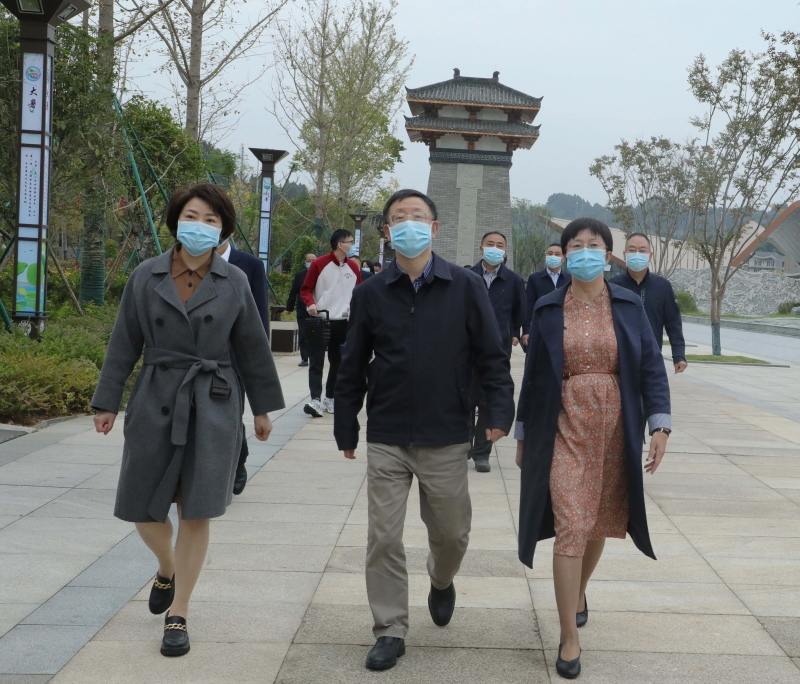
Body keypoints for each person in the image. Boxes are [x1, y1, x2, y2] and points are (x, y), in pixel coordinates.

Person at [91, 184, 285, 657]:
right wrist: (107, 401)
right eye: (192, 216)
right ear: (176, 221)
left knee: (196, 509)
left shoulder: (234, 280)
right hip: (155, 396)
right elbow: (124, 341)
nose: (200, 226)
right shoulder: (146, 275)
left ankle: (178, 613)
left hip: (213, 401)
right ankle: (167, 566)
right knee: (141, 505)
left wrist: (261, 409)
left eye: (211, 220)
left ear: (224, 230)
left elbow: (253, 347)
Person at [334, 189, 515, 672]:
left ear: (434, 228)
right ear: (387, 231)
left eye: (418, 216)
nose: (408, 224)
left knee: (452, 534)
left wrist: (498, 412)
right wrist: (347, 424)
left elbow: (491, 356)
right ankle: (390, 628)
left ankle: (441, 579)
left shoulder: (465, 286)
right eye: (399, 218)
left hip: (447, 430)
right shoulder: (370, 292)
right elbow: (352, 363)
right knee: (383, 538)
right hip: (388, 432)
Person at [515, 218, 670, 679]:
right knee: (571, 522)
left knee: (600, 519)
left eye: (594, 244)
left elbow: (650, 367)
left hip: (615, 425)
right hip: (563, 422)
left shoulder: (627, 304)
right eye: (576, 245)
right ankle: (569, 635)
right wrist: (523, 433)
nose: (585, 251)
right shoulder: (547, 307)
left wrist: (660, 425)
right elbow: (533, 375)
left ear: (607, 254)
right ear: (565, 255)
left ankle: (579, 590)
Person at [215, 237, 271, 496]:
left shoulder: (249, 266)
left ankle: (237, 460)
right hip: (189, 356)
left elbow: (258, 318)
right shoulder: (174, 263)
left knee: (231, 414)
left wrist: (258, 361)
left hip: (232, 356)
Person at [468, 231, 526, 473]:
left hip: (497, 349)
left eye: (499, 245)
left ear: (505, 251)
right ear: (481, 248)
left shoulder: (513, 280)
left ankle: (482, 453)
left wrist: (514, 332)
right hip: (466, 347)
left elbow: (520, 311)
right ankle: (462, 445)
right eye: (490, 244)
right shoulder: (467, 276)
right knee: (464, 397)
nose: (495, 248)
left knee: (488, 399)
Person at [301, 230, 361, 417]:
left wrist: (355, 312)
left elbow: (359, 293)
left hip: (343, 322)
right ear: (340, 245)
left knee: (338, 362)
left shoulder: (353, 267)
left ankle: (330, 397)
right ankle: (315, 400)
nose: (353, 245)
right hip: (320, 320)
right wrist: (311, 304)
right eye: (350, 242)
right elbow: (306, 289)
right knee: (316, 361)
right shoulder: (319, 264)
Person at [609, 233, 688, 374]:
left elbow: (673, 323)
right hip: (619, 360)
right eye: (632, 250)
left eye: (642, 250)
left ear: (650, 256)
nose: (637, 254)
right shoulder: (613, 286)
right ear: (625, 254)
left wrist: (679, 355)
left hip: (652, 359)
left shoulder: (663, 286)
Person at [521, 242, 572, 348]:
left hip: (564, 328)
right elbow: (528, 305)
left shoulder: (570, 279)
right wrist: (526, 330)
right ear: (545, 256)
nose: (553, 256)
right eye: (550, 253)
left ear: (563, 258)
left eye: (557, 254)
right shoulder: (535, 278)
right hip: (540, 327)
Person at [287, 252, 317, 368]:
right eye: (309, 261)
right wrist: (289, 307)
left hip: (317, 309)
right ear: (305, 262)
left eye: (313, 260)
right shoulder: (300, 275)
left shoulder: (321, 274)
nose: (311, 262)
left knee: (315, 334)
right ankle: (304, 358)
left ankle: (314, 357)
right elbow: (293, 291)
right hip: (302, 308)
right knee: (303, 333)